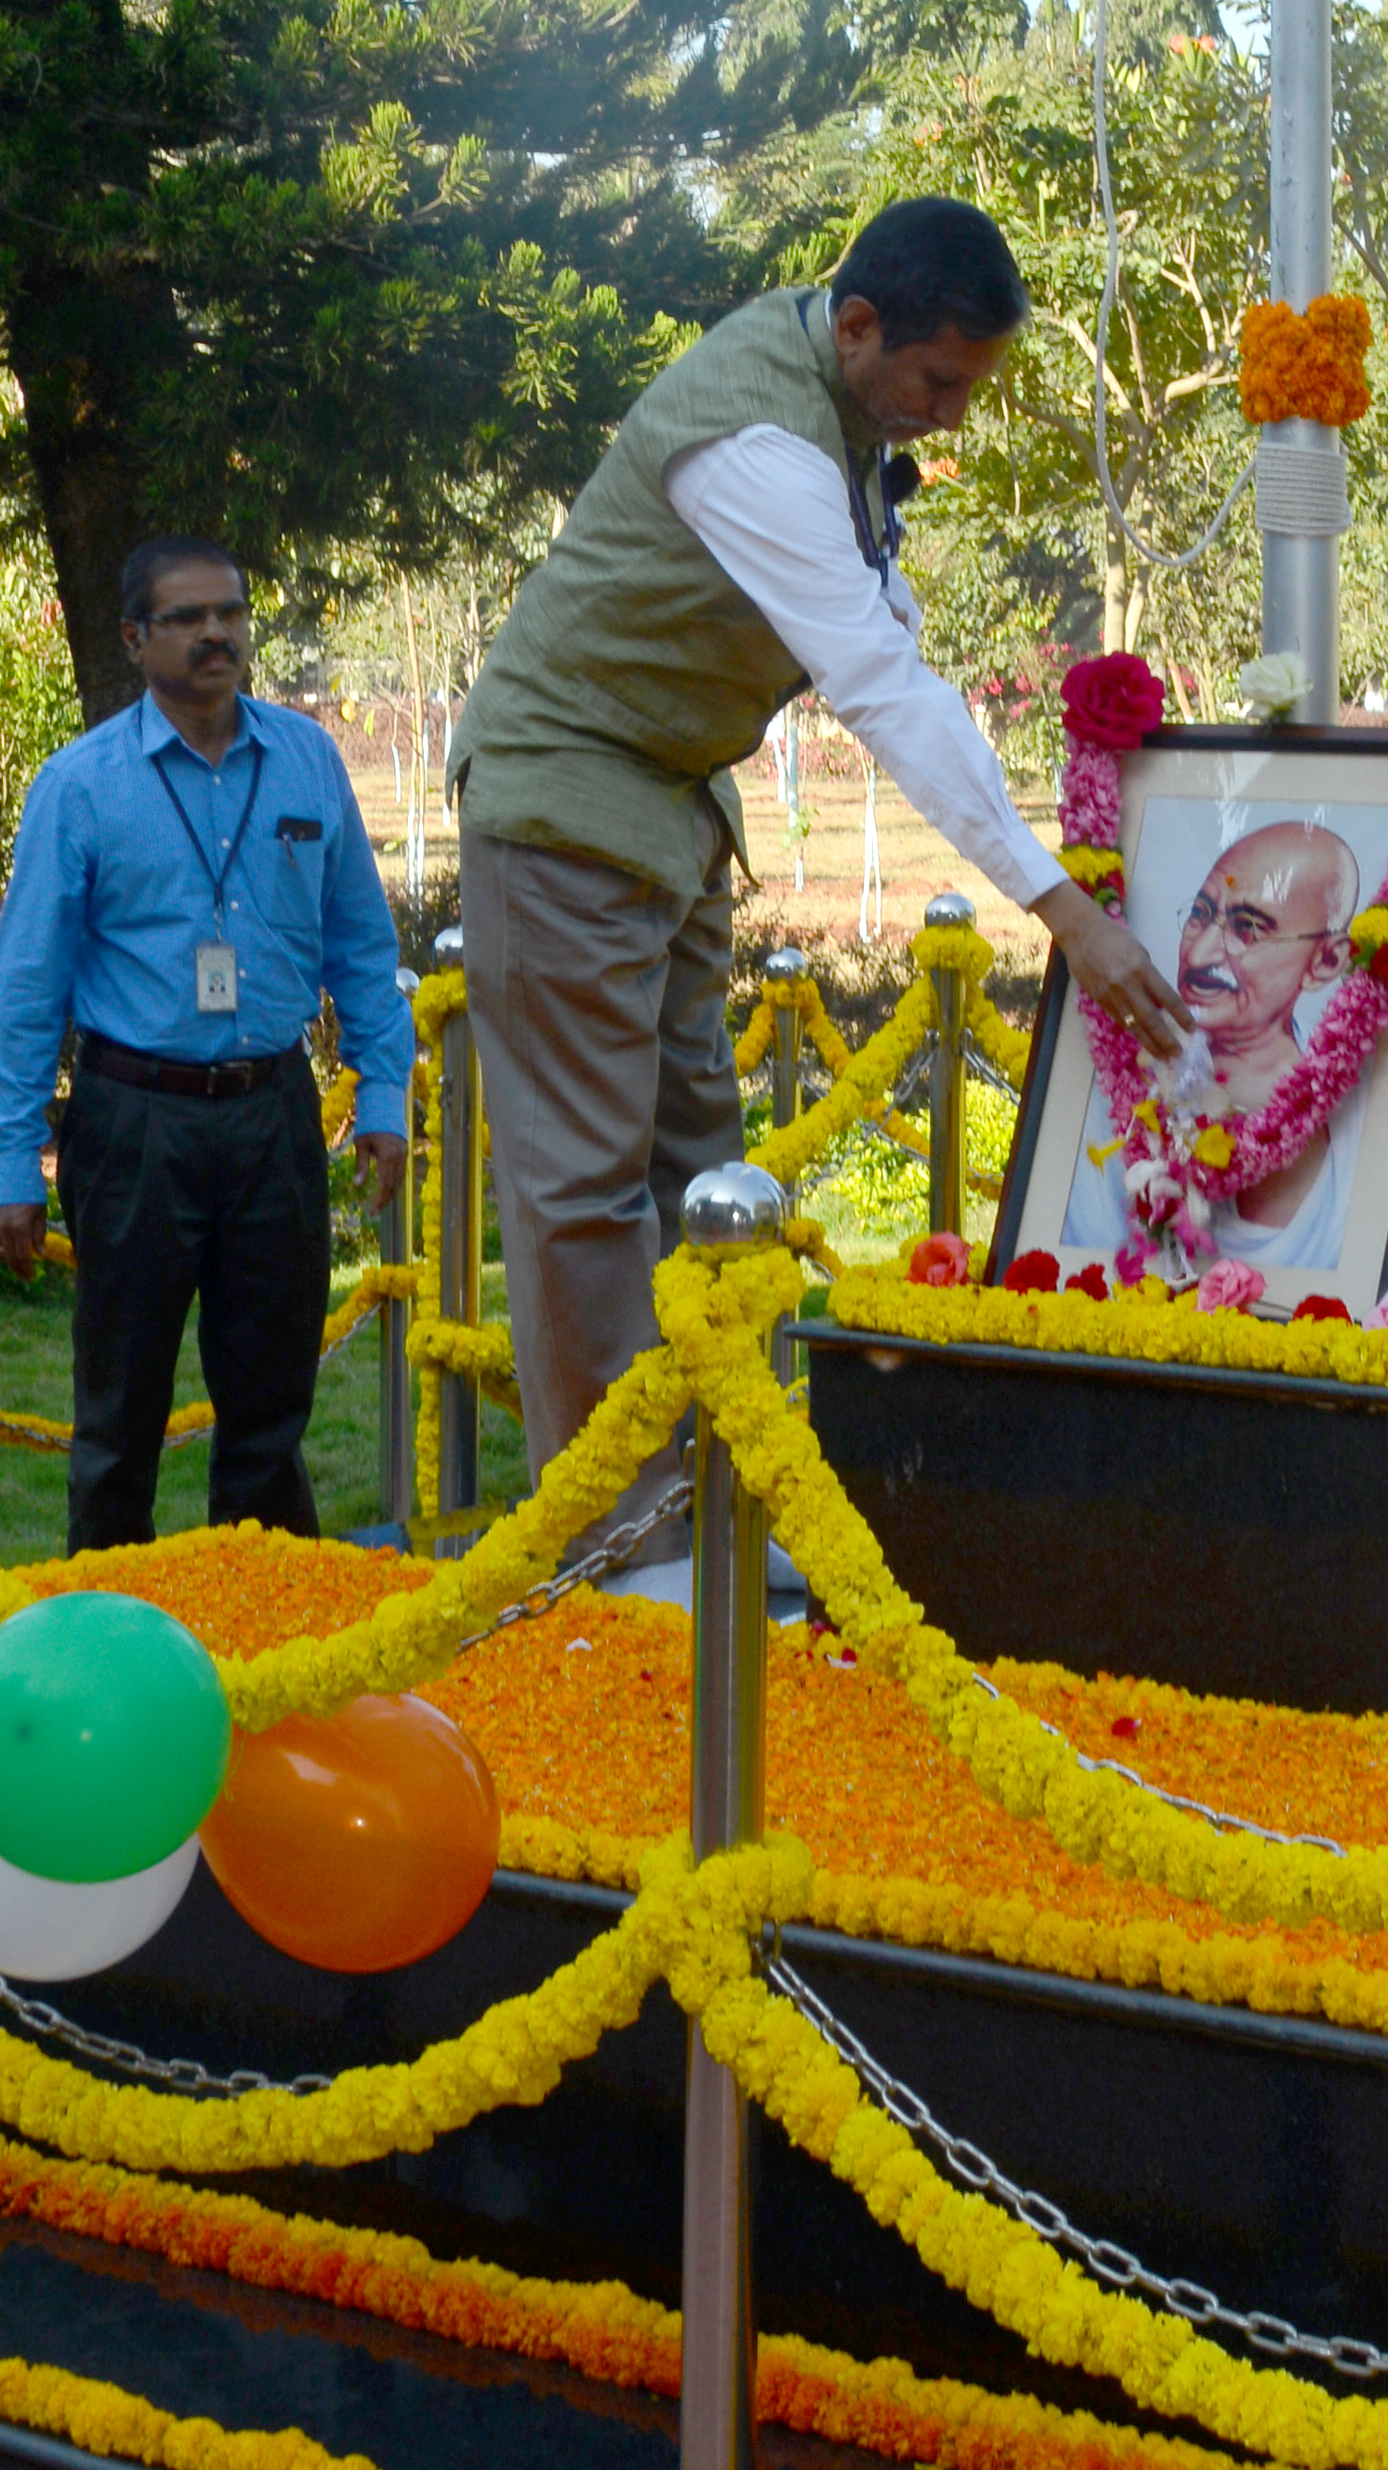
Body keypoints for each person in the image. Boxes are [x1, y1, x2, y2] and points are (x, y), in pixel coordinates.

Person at [457, 202, 1185, 1592]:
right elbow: (876, 684)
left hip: (666, 811)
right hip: (565, 808)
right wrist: (1065, 911)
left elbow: (886, 631)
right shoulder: (756, 438)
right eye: (939, 384)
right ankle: (621, 1540)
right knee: (588, 1195)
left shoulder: (839, 394)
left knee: (698, 1180)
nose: (950, 419)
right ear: (859, 328)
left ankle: (724, 1493)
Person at [0, 534, 414, 1556]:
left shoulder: (305, 758)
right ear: (134, 638)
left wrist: (384, 1098)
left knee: (269, 1419)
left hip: (273, 1114)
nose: (217, 634)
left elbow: (360, 941)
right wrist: (11, 1155)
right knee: (118, 1419)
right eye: (188, 617)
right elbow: (29, 982)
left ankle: (261, 1654)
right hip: (136, 1125)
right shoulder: (80, 786)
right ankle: (103, 1658)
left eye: (232, 613)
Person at [1053, 806, 1373, 1293]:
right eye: (1200, 915)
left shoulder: (1365, 1112)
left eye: (1249, 928)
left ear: (1327, 961)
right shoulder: (1107, 1073)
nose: (1200, 955)